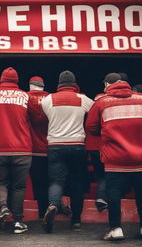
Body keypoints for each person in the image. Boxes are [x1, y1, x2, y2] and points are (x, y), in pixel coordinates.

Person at [86, 73, 142, 241]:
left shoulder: (102, 102)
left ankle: (116, 229)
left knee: (113, 191)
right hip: (139, 156)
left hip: (114, 157)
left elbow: (91, 127)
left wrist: (108, 130)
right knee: (141, 192)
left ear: (108, 84)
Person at [41, 70, 94, 233]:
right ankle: (76, 221)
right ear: (74, 85)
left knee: (56, 181)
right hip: (77, 145)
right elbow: (95, 113)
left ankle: (52, 205)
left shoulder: (48, 99)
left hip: (55, 145)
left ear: (59, 85)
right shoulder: (83, 99)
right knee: (77, 182)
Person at [0, 67, 32, 234]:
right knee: (19, 187)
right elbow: (33, 119)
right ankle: (18, 221)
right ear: (17, 80)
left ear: (1, 79)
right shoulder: (25, 96)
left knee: (0, 182)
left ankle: (3, 208)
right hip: (22, 148)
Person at [27, 76, 49, 219]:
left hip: (32, 148)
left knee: (36, 182)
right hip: (50, 147)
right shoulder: (51, 98)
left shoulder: (24, 98)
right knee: (51, 181)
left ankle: (41, 214)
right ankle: (48, 208)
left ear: (30, 85)